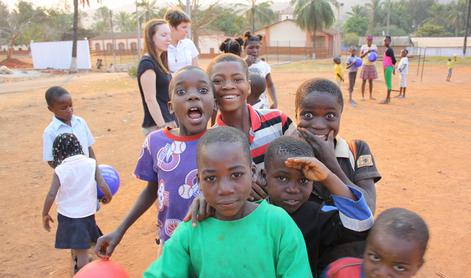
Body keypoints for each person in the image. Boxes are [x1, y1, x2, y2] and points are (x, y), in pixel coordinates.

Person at [144, 127, 312, 277]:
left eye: (236, 175)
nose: (224, 189)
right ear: (198, 181)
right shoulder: (191, 230)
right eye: (211, 178)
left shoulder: (277, 224)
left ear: (252, 173)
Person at [95, 66, 215, 258]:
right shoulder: (156, 142)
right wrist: (120, 230)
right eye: (181, 91)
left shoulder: (222, 143)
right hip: (171, 244)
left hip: (213, 244)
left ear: (214, 103)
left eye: (202, 90)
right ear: (170, 107)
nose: (193, 96)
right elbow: (152, 190)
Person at [262, 136, 373, 277]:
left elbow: (362, 224)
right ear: (264, 176)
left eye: (303, 180)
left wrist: (327, 177)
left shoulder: (317, 215)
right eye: (282, 178)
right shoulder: (252, 214)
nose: (293, 189)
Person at [207, 53, 296, 199]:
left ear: (248, 87)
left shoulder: (278, 121)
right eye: (217, 81)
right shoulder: (210, 141)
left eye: (237, 79)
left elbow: (302, 166)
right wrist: (239, 187)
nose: (228, 86)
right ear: (209, 88)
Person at [294, 78, 381, 212]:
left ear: (340, 116)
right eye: (308, 115)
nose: (318, 125)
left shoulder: (357, 151)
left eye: (329, 116)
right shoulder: (288, 154)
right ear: (296, 116)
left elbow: (369, 208)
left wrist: (331, 164)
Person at [42, 133, 112, 273]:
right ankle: (84, 265)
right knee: (81, 246)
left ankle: (82, 272)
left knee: (82, 252)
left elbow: (51, 194)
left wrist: (45, 213)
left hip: (68, 216)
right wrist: (108, 197)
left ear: (59, 153)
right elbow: (103, 184)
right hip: (87, 213)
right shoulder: (91, 163)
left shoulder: (60, 170)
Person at [321, 208, 429, 278]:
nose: (382, 273)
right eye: (375, 258)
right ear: (365, 249)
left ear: (418, 267)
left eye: (399, 267)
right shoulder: (340, 271)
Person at [137, 19, 176, 136]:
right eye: (163, 35)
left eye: (169, 35)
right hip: (157, 126)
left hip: (169, 121)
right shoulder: (147, 64)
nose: (168, 39)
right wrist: (163, 128)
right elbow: (150, 99)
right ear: (151, 38)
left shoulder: (160, 61)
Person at [43, 86, 96, 169]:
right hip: (69, 176)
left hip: (88, 170)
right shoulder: (50, 132)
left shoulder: (80, 122)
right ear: (51, 109)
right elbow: (51, 160)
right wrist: (67, 171)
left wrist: (95, 170)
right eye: (63, 108)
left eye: (70, 105)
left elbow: (89, 148)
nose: (69, 110)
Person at [243, 32, 278, 109]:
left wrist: (275, 101)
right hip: (244, 105)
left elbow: (270, 85)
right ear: (244, 48)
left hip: (262, 105)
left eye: (257, 47)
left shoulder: (264, 65)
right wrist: (245, 65)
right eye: (251, 47)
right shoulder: (240, 64)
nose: (255, 50)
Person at [165, 8, 199, 74]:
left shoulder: (189, 43)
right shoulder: (162, 47)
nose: (187, 31)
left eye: (188, 27)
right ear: (171, 27)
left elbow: (196, 70)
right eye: (184, 27)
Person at [360, 35, 378, 100]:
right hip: (365, 65)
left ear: (372, 40)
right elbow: (361, 56)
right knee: (364, 81)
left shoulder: (374, 47)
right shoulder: (363, 47)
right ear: (366, 40)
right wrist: (367, 52)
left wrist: (373, 52)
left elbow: (376, 55)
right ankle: (362, 96)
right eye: (368, 40)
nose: (369, 41)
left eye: (370, 40)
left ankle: (370, 96)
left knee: (371, 81)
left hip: (372, 65)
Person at [380, 35, 397, 104]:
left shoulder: (390, 49)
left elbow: (394, 60)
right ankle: (388, 99)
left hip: (388, 68)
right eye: (384, 40)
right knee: (387, 83)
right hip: (386, 68)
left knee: (388, 83)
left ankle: (387, 99)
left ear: (389, 42)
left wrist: (393, 68)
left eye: (386, 41)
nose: (384, 42)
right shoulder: (387, 49)